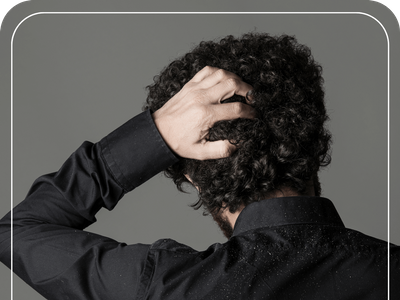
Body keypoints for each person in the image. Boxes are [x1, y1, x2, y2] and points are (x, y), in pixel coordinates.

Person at [0, 33, 399, 299]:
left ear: (191, 175)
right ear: (311, 142)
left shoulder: (166, 287)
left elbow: (16, 232)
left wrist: (153, 136)